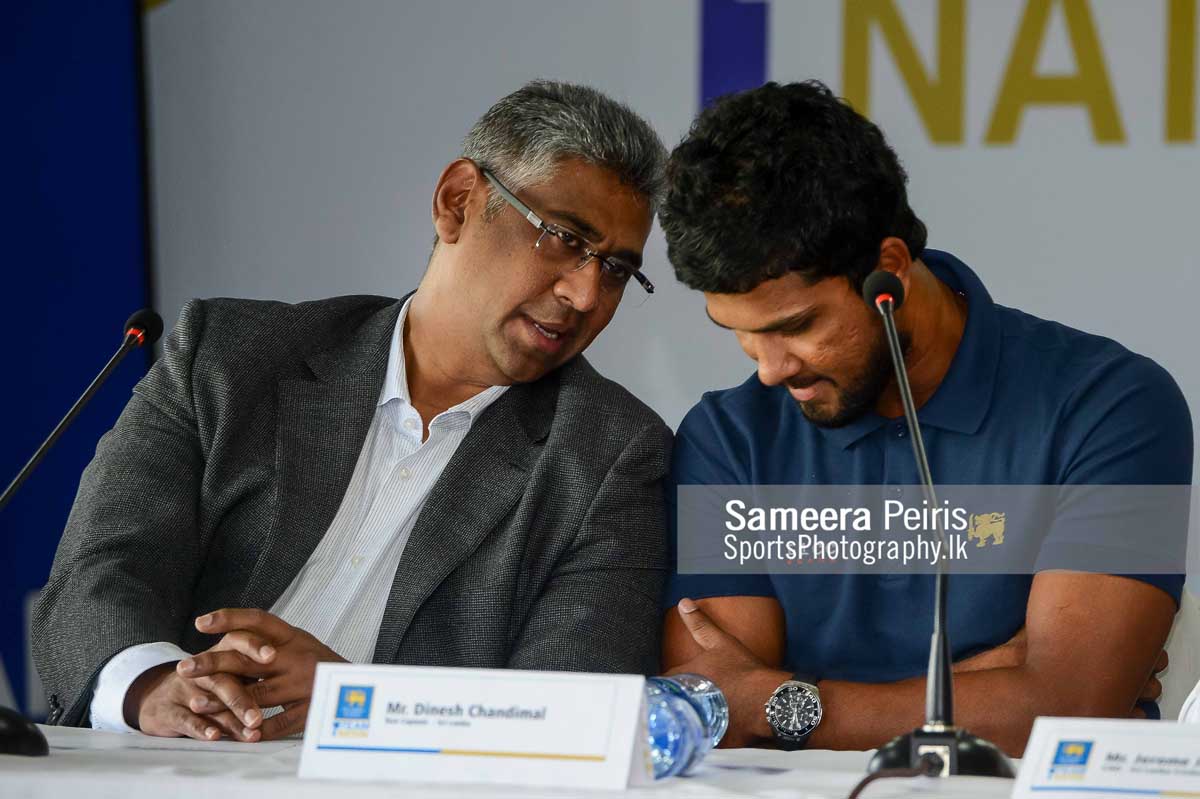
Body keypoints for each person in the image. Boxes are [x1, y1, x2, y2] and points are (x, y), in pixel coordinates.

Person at [34, 80, 672, 742]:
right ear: (458, 202)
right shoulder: (229, 358)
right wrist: (152, 688)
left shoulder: (609, 455)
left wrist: (361, 702)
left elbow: (575, 713)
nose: (585, 294)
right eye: (564, 238)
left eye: (616, 271)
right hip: (161, 766)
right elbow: (102, 567)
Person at [657, 80, 1189, 756]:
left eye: (796, 326)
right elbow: (717, 713)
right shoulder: (727, 438)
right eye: (739, 331)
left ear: (891, 269)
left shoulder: (1112, 404)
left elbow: (1066, 712)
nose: (770, 368)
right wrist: (995, 683)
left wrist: (779, 700)